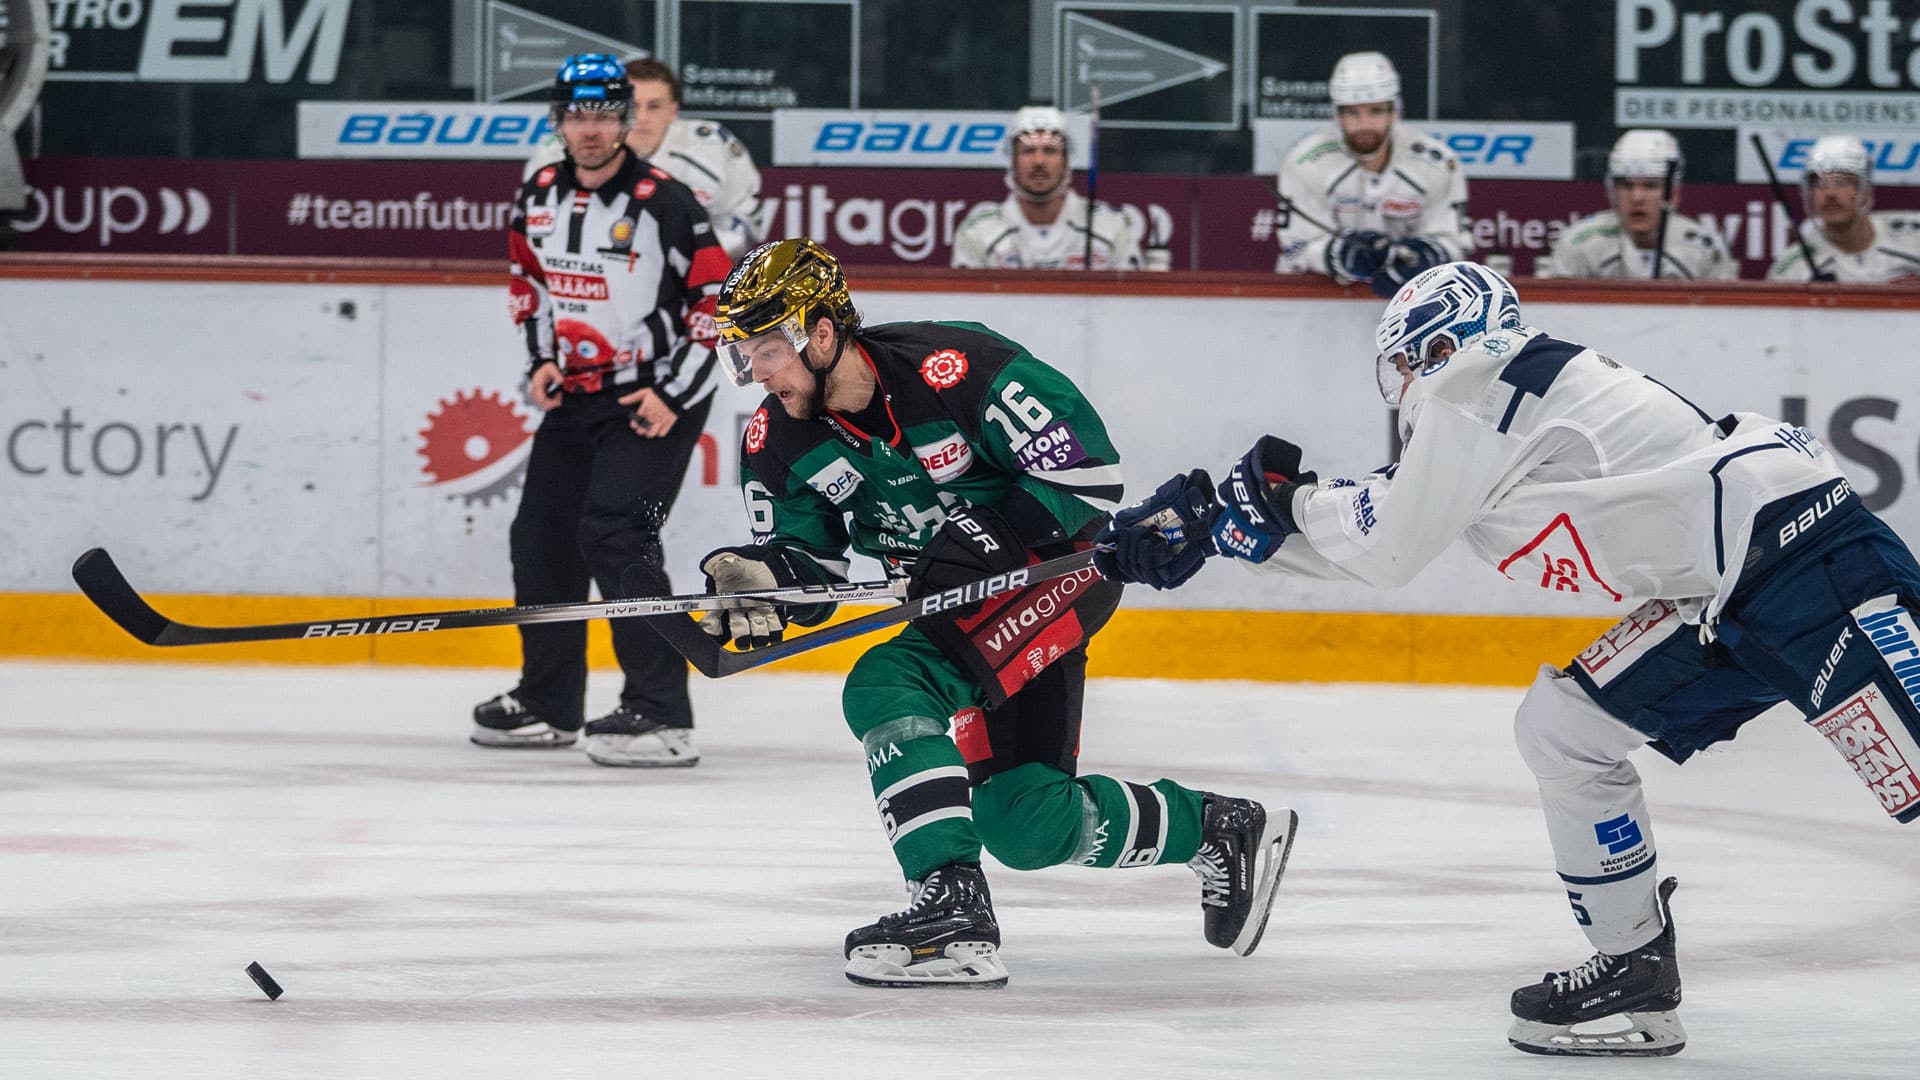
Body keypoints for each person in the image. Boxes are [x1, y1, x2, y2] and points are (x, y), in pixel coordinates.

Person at [1095, 261, 1920, 1056]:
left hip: (1809, 559)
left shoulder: (1486, 387)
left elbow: (1387, 544)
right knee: (1565, 727)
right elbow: (1394, 523)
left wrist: (1266, 508)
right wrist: (1223, 534)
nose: (1404, 385)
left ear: (1433, 348)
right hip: (1727, 593)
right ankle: (1635, 967)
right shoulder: (1494, 410)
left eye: (1404, 364)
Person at [692, 237, 1295, 987]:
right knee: (1027, 823)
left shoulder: (956, 368)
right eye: (744, 354)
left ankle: (951, 905)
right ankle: (1219, 828)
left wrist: (982, 536)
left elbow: (1089, 475)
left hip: (1061, 573)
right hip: (963, 607)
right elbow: (812, 567)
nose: (756, 371)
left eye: (768, 349)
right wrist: (770, 580)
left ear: (820, 333)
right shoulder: (776, 439)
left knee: (888, 682)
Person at [473, 54, 732, 768]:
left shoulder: (665, 200)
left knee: (617, 532)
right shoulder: (539, 194)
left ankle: (661, 712)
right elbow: (530, 285)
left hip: (653, 397)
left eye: (606, 114)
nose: (592, 128)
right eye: (578, 114)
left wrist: (670, 391)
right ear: (558, 120)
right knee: (541, 537)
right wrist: (542, 362)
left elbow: (716, 302)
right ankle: (551, 701)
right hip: (578, 394)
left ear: (625, 119)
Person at [1273, 51, 1473, 297]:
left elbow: (1454, 243)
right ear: (1337, 115)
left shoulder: (1437, 163)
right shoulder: (1305, 162)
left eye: (1375, 111)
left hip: (1411, 304)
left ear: (1394, 111)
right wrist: (1344, 255)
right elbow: (1296, 247)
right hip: (1316, 303)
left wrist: (1420, 258)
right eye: (1351, 113)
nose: (1363, 124)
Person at [525, 57, 764, 261]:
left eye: (654, 106)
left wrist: (682, 256)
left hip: (691, 277)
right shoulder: (563, 149)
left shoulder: (712, 147)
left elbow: (744, 224)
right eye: (633, 106)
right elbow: (534, 227)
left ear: (673, 110)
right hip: (593, 275)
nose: (642, 117)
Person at [950, 106, 1155, 270]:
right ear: (1011, 160)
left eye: (1050, 150)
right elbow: (967, 313)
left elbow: (1127, 310)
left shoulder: (1111, 226)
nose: (1039, 161)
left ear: (1066, 160)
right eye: (1028, 150)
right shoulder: (978, 231)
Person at [1541, 130, 1736, 280]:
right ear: (1612, 192)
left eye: (1650, 186)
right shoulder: (1579, 244)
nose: (1637, 197)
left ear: (1673, 194)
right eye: (1626, 185)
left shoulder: (1704, 248)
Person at [1767, 135, 1920, 284]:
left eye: (1842, 182)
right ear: (1809, 194)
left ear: (1865, 192)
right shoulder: (1791, 270)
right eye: (1820, 184)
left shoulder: (1912, 240)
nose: (1830, 194)